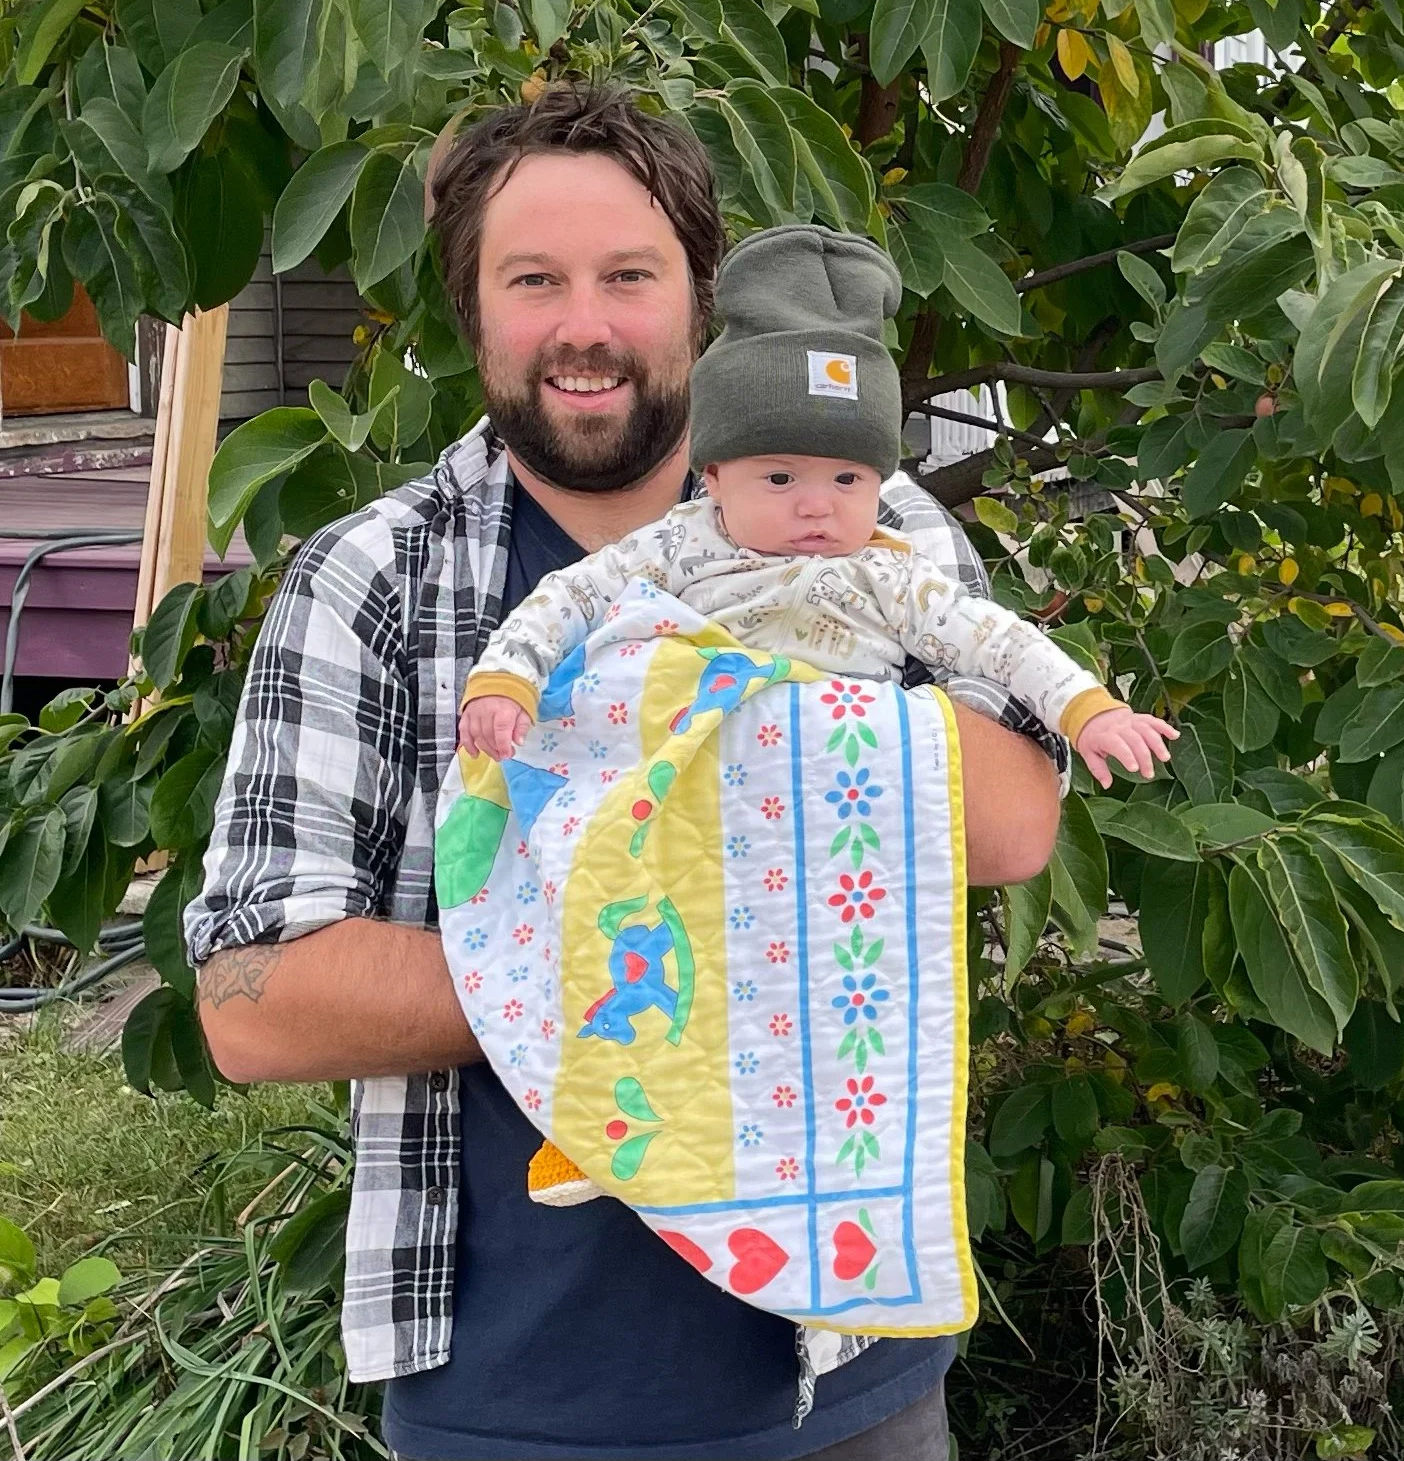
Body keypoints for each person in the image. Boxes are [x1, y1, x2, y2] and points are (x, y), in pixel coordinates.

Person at [187, 83, 1067, 1461]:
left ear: (702, 304)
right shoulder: (369, 578)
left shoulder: (862, 521)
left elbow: (1015, 823)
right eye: (532, 279)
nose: (583, 325)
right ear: (470, 310)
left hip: (848, 1378)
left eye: (629, 276)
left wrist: (798, 627)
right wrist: (654, 950)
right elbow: (252, 1002)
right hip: (515, 1402)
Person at [455, 225, 1174, 1213]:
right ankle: (600, 1125)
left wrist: (1085, 707)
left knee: (817, 1001)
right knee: (624, 940)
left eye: (846, 479)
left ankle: (809, 1172)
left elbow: (994, 641)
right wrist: (504, 680)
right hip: (686, 801)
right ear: (711, 475)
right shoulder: (677, 547)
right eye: (779, 478)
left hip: (825, 816)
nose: (815, 508)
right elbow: (565, 602)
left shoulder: (885, 569)